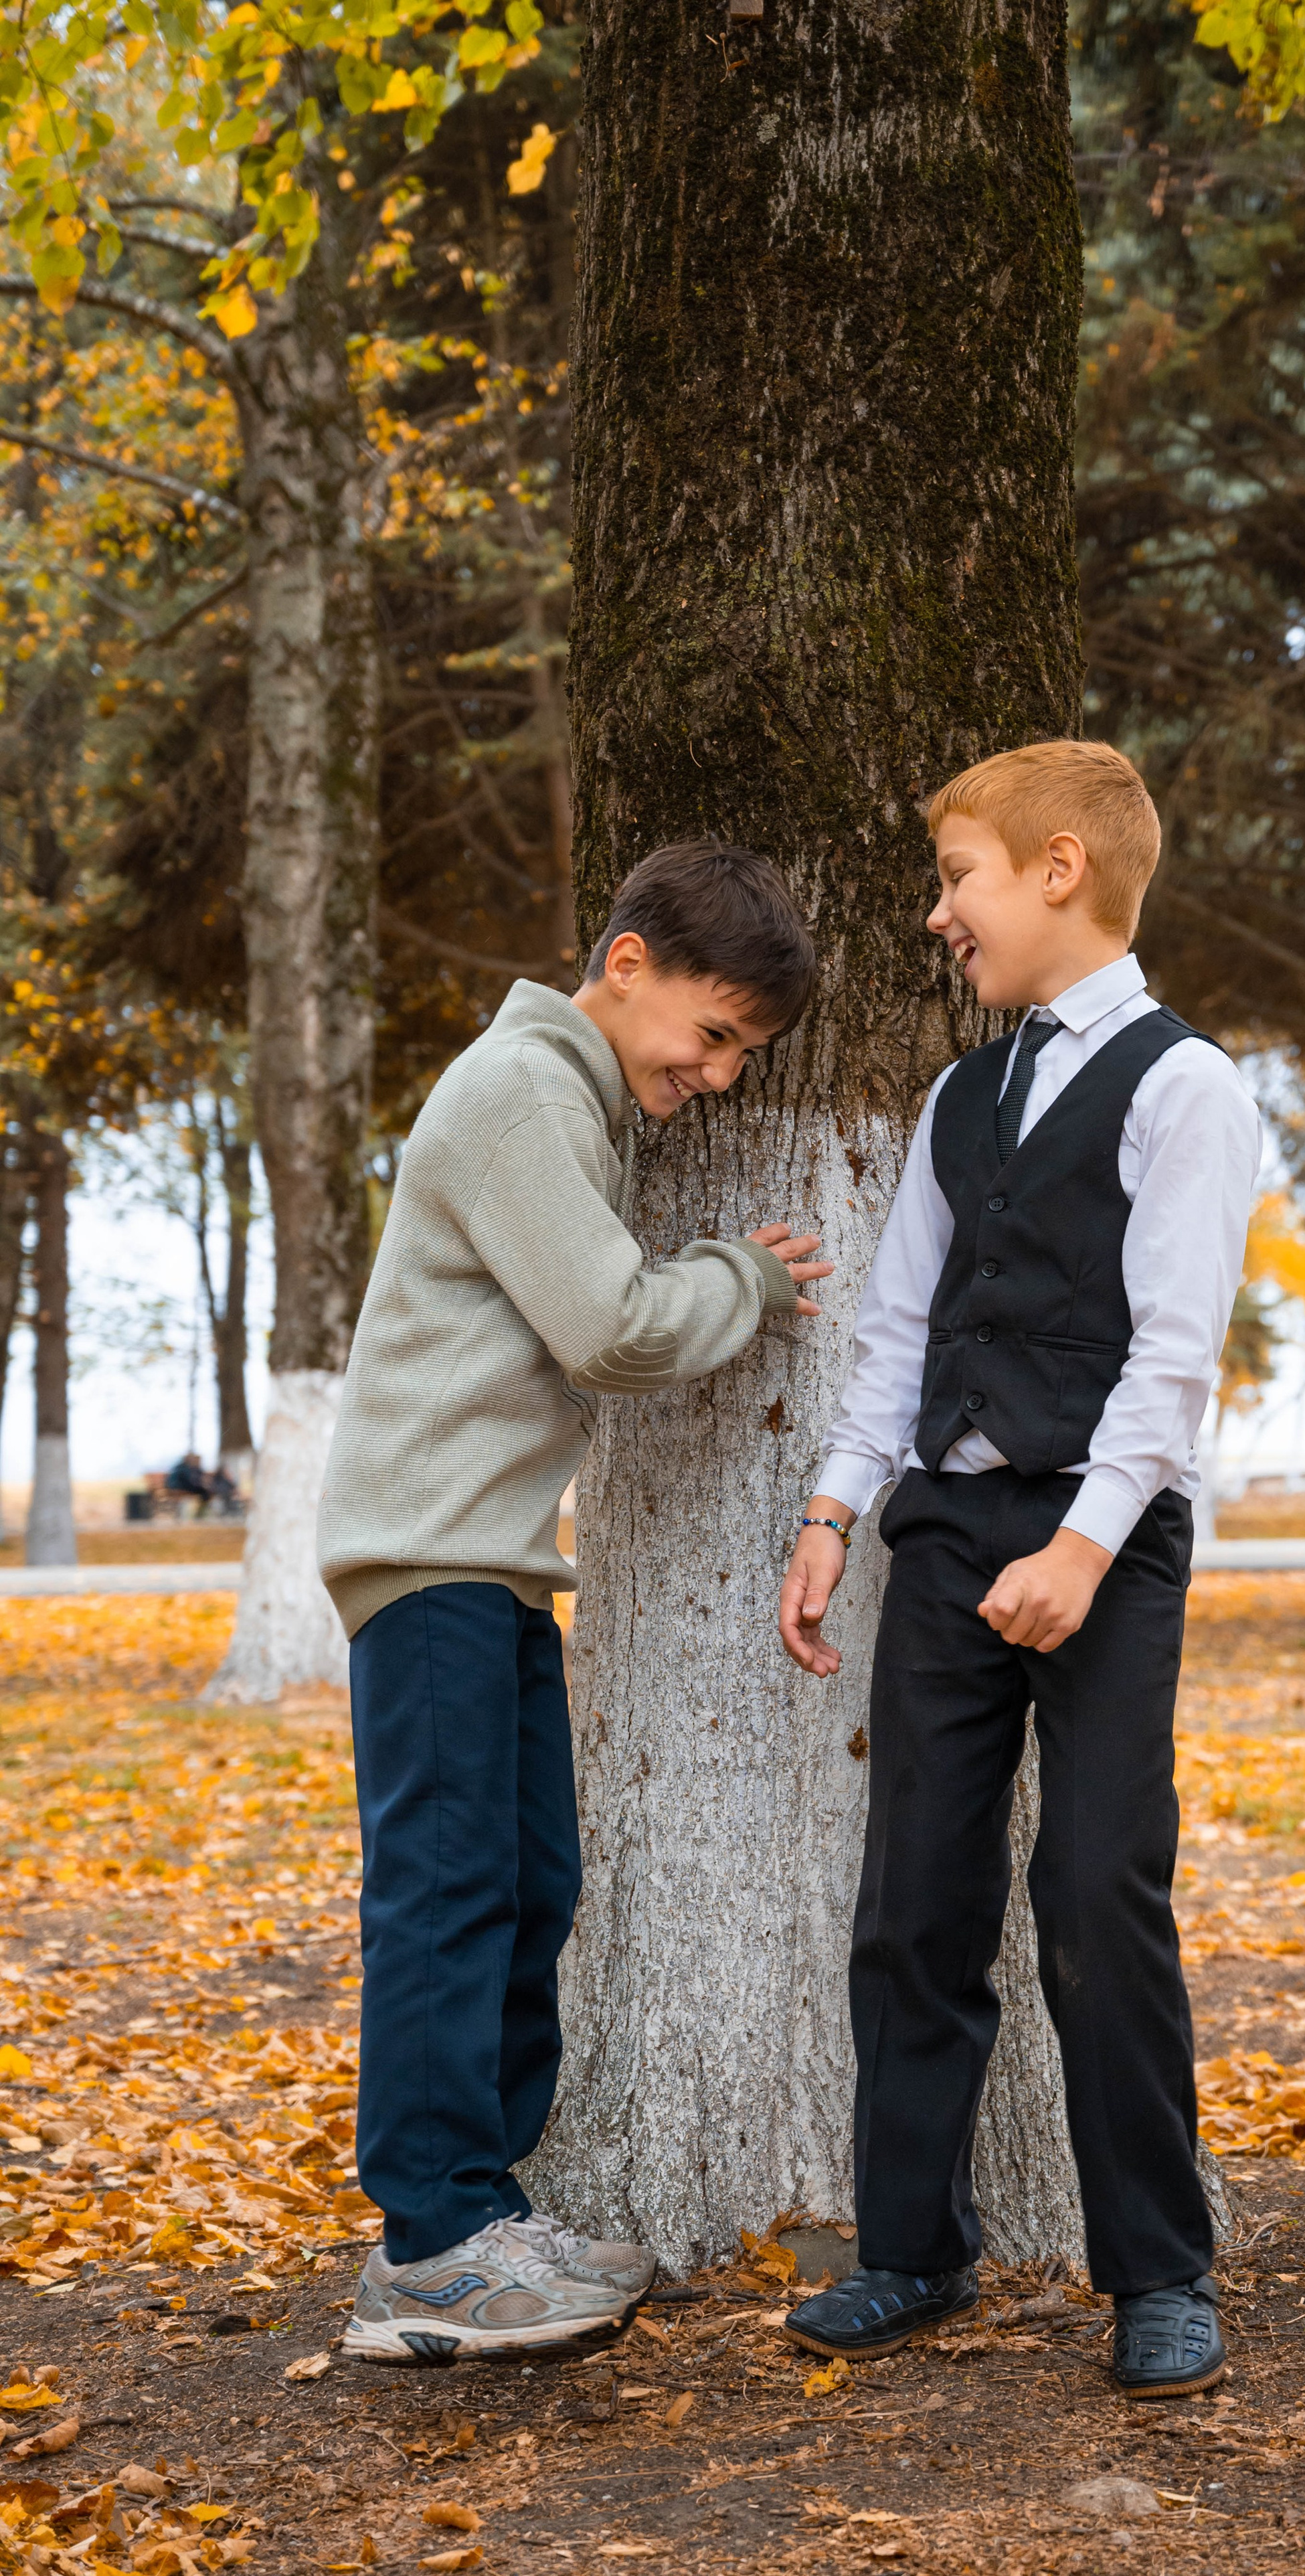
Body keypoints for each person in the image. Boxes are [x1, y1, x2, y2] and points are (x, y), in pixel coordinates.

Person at [776, 740, 1260, 2397]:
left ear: (1059, 868)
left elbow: (1176, 1356)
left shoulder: (1188, 1086)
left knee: (1096, 1897)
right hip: (945, 1530)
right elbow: (899, 1328)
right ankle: (912, 2247)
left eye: (959, 878)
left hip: (1102, 1544)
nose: (939, 915)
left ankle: (1157, 2269)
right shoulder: (959, 1095)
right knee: (914, 1902)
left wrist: (1079, 1542)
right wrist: (836, 1514)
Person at [319, 839, 832, 2366]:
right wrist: (746, 1276)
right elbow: (609, 1328)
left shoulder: (570, 1094)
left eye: (743, 1049)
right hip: (426, 1559)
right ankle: (426, 2248)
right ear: (625, 966)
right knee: (445, 1895)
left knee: (530, 1886)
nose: (720, 1073)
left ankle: (487, 2205)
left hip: (486, 1561)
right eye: (715, 1032)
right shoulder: (524, 1092)